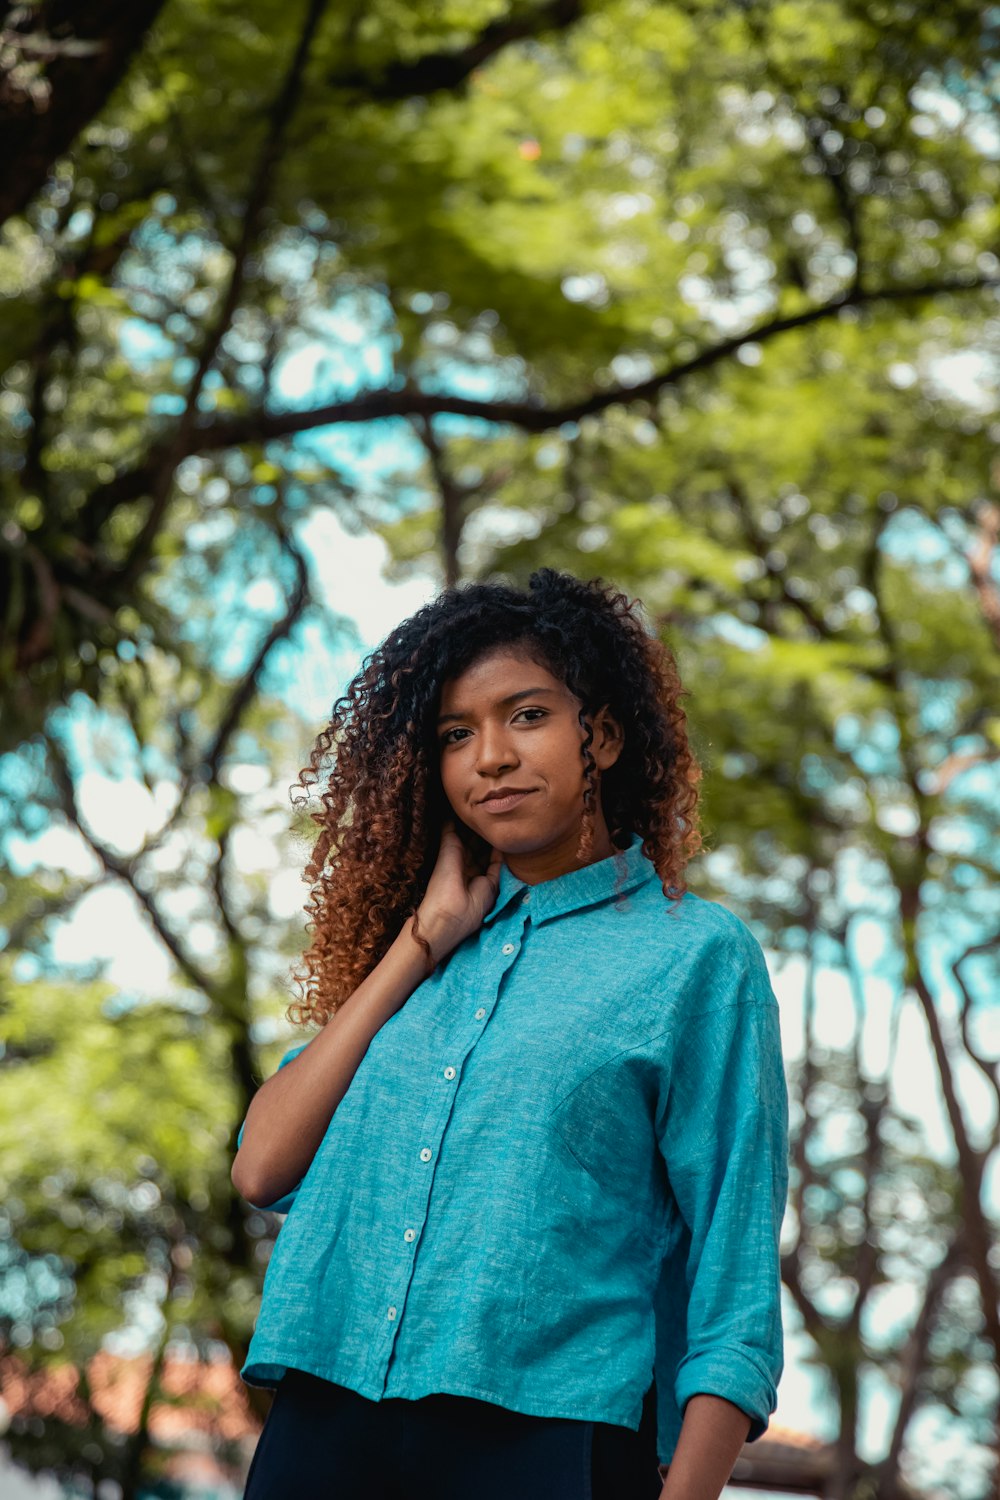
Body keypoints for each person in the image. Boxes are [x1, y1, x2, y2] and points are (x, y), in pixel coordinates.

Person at [232, 567, 789, 1500]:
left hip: (549, 1446)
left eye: (526, 715)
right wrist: (418, 945)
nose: (490, 757)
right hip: (321, 1430)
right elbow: (261, 1167)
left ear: (600, 736)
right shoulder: (420, 953)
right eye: (457, 734)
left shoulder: (697, 956)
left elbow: (733, 1280)